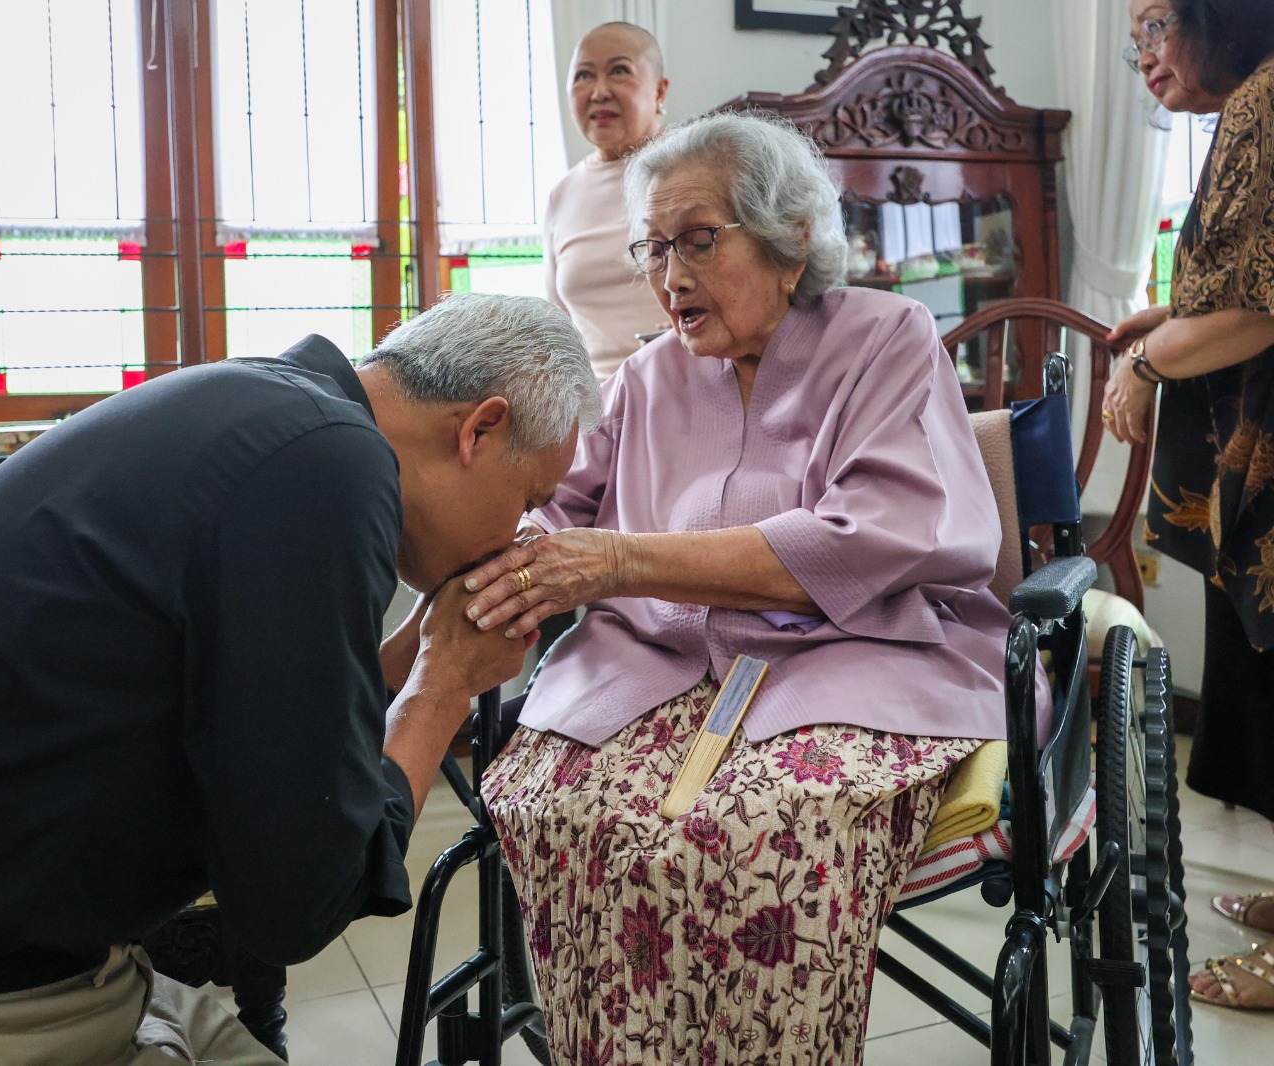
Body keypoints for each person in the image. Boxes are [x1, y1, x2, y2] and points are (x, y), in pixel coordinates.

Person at [0, 291, 601, 1065]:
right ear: (478, 430)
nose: (516, 533)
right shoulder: (332, 467)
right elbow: (297, 901)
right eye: (528, 500)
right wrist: (443, 688)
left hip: (32, 979)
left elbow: (276, 730)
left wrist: (415, 655)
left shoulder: (276, 411)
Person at [462, 113, 1010, 1063]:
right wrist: (523, 550)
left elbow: (865, 536)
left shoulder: (889, 339)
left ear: (792, 241)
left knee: (759, 837)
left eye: (699, 240)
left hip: (854, 666)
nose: (670, 274)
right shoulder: (644, 377)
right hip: (657, 671)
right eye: (654, 246)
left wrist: (624, 561)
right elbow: (559, 508)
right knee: (556, 807)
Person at [1105, 0, 1274, 1012]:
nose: (1144, 56)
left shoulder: (1265, 105)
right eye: (1131, 38)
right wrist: (1169, 316)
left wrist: (1141, 360)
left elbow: (1257, 306)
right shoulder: (1248, 105)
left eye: (1157, 25)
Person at [544, 21, 671, 381]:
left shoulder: (692, 167)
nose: (599, 92)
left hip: (686, 385)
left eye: (619, 70)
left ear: (660, 90)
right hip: (593, 408)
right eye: (583, 75)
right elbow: (558, 325)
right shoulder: (562, 194)